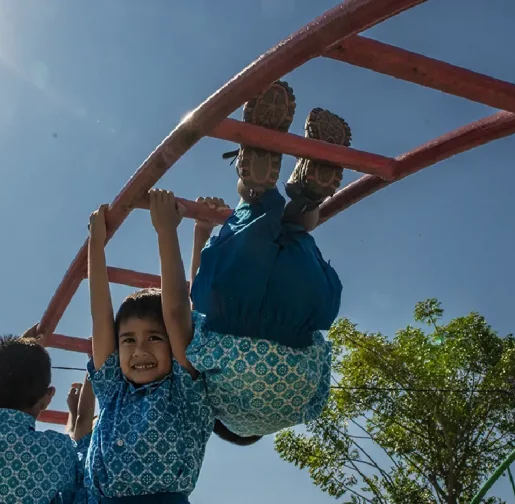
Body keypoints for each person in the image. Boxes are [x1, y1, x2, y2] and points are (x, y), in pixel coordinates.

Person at [153, 80, 346, 445]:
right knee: (250, 221)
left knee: (298, 232)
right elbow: (184, 308)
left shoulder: (301, 410)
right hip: (234, 303)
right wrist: (168, 232)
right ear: (216, 419)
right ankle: (255, 189)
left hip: (301, 306)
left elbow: (322, 361)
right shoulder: (205, 388)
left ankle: (306, 198)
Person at [83, 205, 214, 504]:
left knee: (191, 321)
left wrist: (168, 231)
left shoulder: (183, 390)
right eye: (128, 340)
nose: (140, 350)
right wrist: (97, 244)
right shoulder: (113, 390)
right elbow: (100, 316)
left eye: (154, 337)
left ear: (173, 343)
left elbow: (183, 313)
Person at [0, 325, 84, 504]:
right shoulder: (58, 449)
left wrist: (15, 349)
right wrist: (75, 414)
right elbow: (75, 491)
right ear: (47, 397)